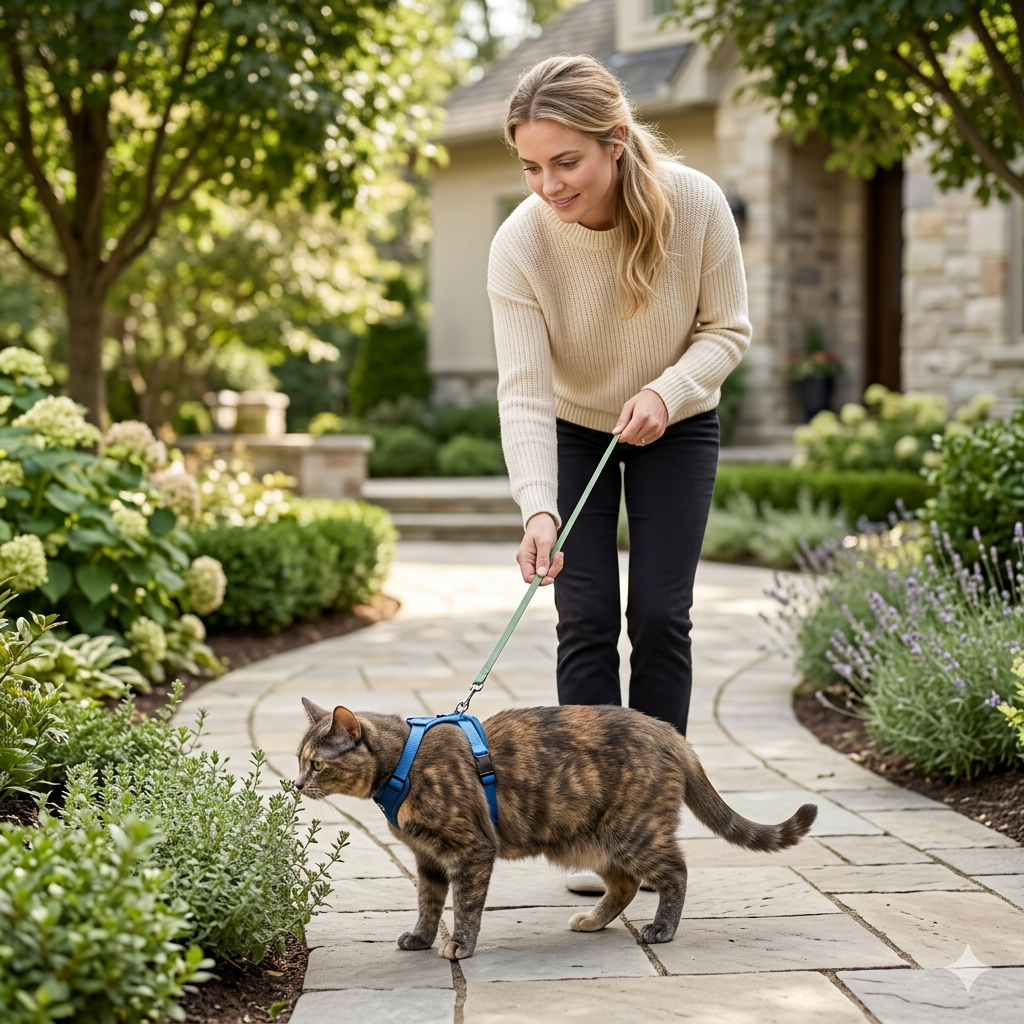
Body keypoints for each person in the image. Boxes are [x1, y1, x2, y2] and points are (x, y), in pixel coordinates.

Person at [488, 54, 751, 891]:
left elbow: (727, 330)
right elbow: (524, 392)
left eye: (565, 162)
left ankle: (646, 822)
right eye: (531, 166)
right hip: (573, 430)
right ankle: (593, 829)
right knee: (587, 616)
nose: (549, 185)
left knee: (662, 617)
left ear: (616, 141)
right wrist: (538, 509)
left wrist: (668, 392)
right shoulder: (520, 242)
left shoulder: (696, 204)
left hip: (679, 421)